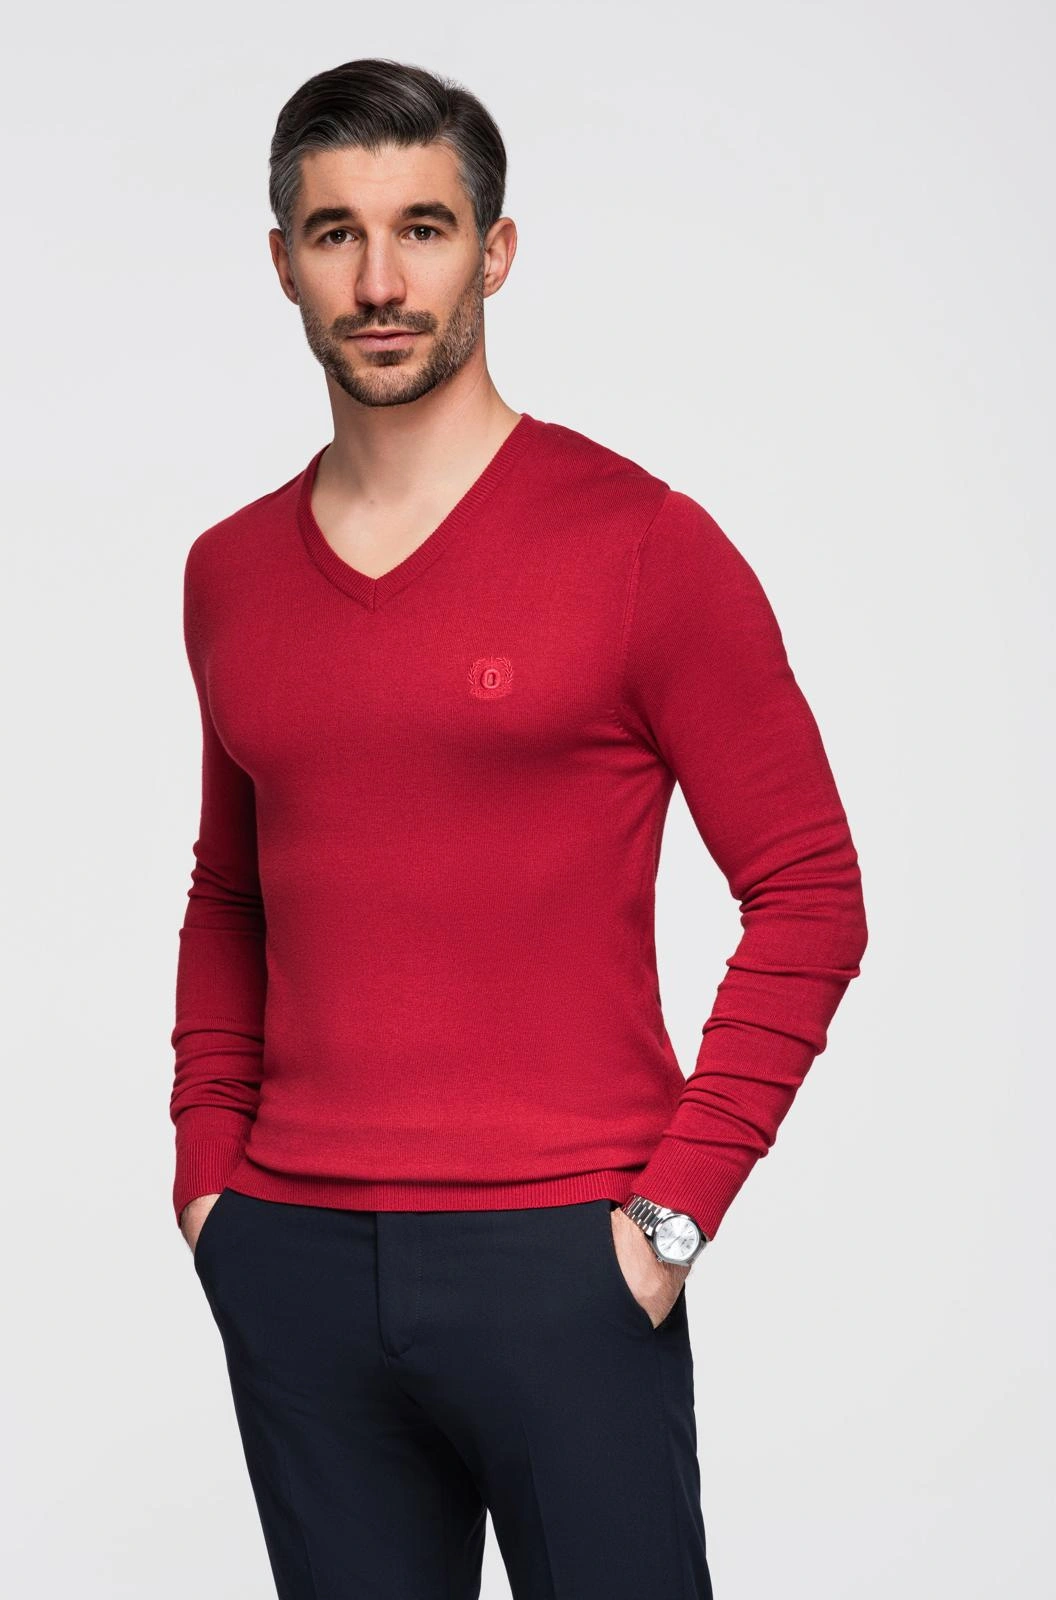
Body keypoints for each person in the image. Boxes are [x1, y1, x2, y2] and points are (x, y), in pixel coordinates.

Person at [168, 56, 868, 1600]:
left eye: (422, 228)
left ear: (493, 252)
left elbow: (811, 891)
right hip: (294, 1258)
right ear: (283, 261)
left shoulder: (641, 546)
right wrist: (211, 1176)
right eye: (337, 233)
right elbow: (234, 892)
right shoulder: (231, 573)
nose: (380, 280)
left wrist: (670, 1217)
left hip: (565, 1255)